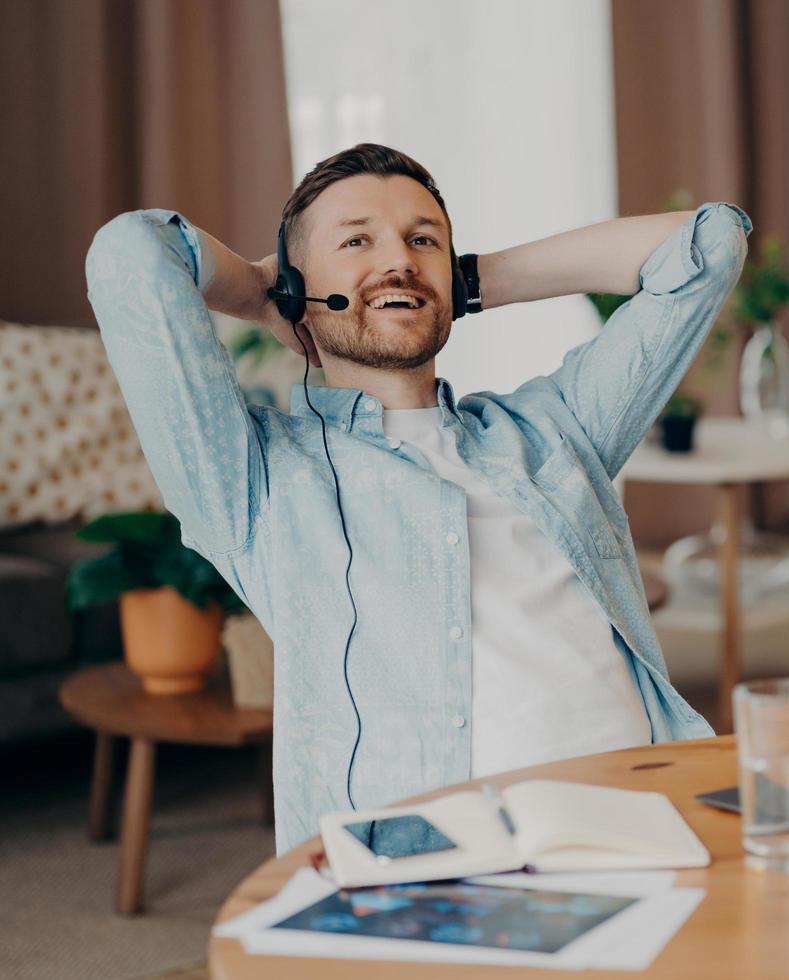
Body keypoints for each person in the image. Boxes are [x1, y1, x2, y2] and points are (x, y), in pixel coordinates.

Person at [85, 143, 751, 853]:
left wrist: (466, 281)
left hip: (645, 819)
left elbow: (709, 243)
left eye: (422, 238)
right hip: (429, 866)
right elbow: (132, 253)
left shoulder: (552, 432)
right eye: (357, 240)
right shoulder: (259, 481)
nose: (397, 259)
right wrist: (257, 291)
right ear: (299, 286)